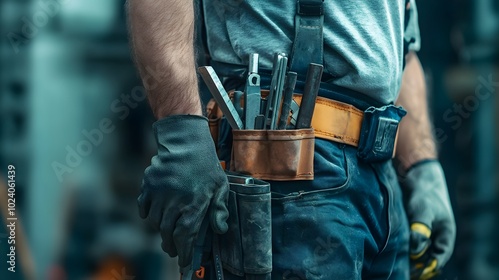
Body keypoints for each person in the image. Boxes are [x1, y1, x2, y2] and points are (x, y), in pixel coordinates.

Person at [127, 0, 456, 279]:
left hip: (383, 186)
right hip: (286, 166)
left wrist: (422, 166)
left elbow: (402, 49)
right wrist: (181, 132)